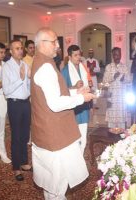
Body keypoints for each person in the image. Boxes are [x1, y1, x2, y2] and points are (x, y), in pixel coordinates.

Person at [31, 27, 96, 200]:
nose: (58, 46)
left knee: (50, 182)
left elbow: (56, 92)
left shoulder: (41, 61)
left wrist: (77, 93)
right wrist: (82, 99)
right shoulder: (45, 67)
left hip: (46, 131)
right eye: (54, 42)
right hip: (54, 134)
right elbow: (55, 103)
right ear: (42, 44)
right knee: (57, 183)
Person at [1, 39, 32, 181]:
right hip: (14, 104)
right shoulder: (6, 67)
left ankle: (25, 162)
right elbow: (6, 91)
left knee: (25, 136)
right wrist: (20, 79)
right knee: (16, 137)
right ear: (11, 51)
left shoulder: (25, 64)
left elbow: (28, 85)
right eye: (17, 48)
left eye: (21, 48)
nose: (20, 50)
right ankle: (16, 168)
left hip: (26, 103)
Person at [61, 45, 91, 155]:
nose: (78, 57)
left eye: (79, 55)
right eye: (75, 55)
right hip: (73, 109)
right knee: (74, 138)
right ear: (69, 57)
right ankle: (75, 161)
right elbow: (61, 92)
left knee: (83, 138)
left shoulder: (83, 68)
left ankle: (80, 159)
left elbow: (88, 84)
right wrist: (74, 86)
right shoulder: (65, 71)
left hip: (83, 106)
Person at [103, 47, 131, 129]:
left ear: (121, 55)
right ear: (112, 55)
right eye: (115, 55)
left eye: (118, 55)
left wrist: (124, 79)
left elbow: (129, 80)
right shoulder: (108, 67)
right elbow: (104, 82)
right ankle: (111, 139)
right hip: (111, 97)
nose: (117, 57)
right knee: (111, 125)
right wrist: (113, 77)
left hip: (121, 97)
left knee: (122, 123)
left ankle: (121, 138)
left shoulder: (124, 67)